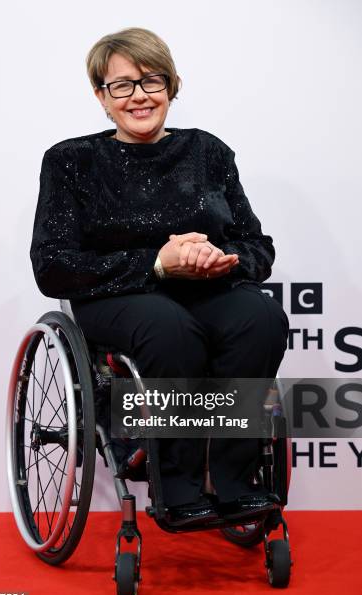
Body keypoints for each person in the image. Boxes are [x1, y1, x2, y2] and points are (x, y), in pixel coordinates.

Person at [30, 27, 289, 525]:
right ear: (102, 98)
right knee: (169, 328)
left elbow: (258, 247)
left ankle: (234, 480)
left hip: (206, 290)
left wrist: (221, 257)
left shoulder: (209, 152)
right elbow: (53, 266)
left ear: (172, 86)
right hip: (117, 296)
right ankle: (177, 490)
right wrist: (156, 262)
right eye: (121, 85)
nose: (139, 95)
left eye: (151, 80)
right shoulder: (71, 161)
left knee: (260, 317)